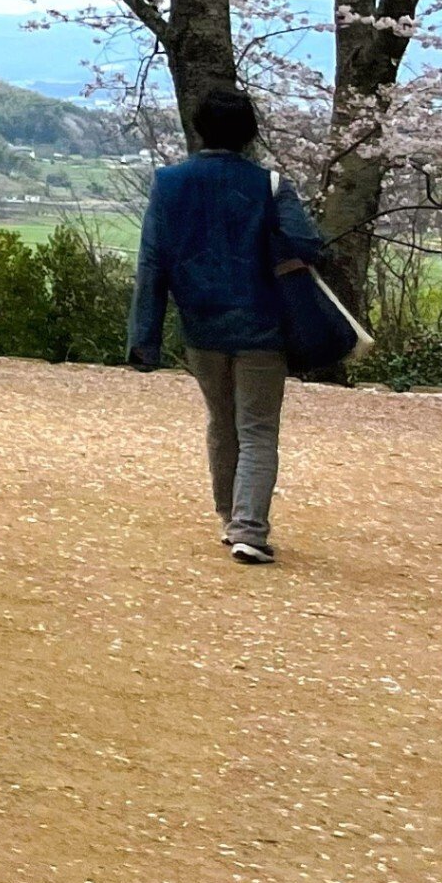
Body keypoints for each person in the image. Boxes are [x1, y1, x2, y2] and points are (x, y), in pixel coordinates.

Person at [130, 83, 335, 566]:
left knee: (222, 423)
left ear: (199, 128)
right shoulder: (270, 184)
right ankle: (249, 530)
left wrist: (144, 340)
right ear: (250, 133)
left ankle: (230, 519)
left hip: (201, 325)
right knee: (257, 429)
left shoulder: (168, 183)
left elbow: (152, 263)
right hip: (263, 326)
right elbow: (308, 244)